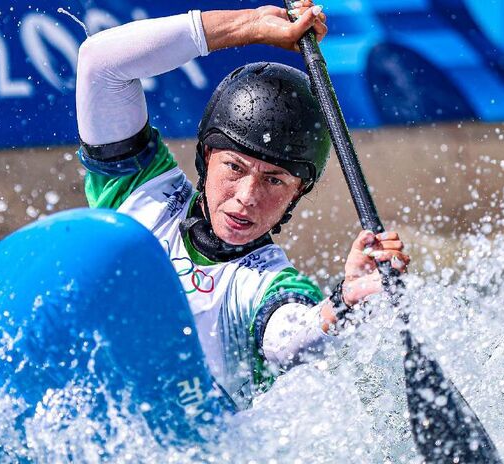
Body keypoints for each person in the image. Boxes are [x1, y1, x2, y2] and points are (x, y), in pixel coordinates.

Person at [75, 3, 410, 409]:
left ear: (297, 193)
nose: (247, 197)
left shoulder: (270, 285)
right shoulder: (138, 191)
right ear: (205, 156)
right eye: (234, 167)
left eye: (274, 180)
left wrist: (343, 303)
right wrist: (247, 26)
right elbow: (100, 62)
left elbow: (291, 339)